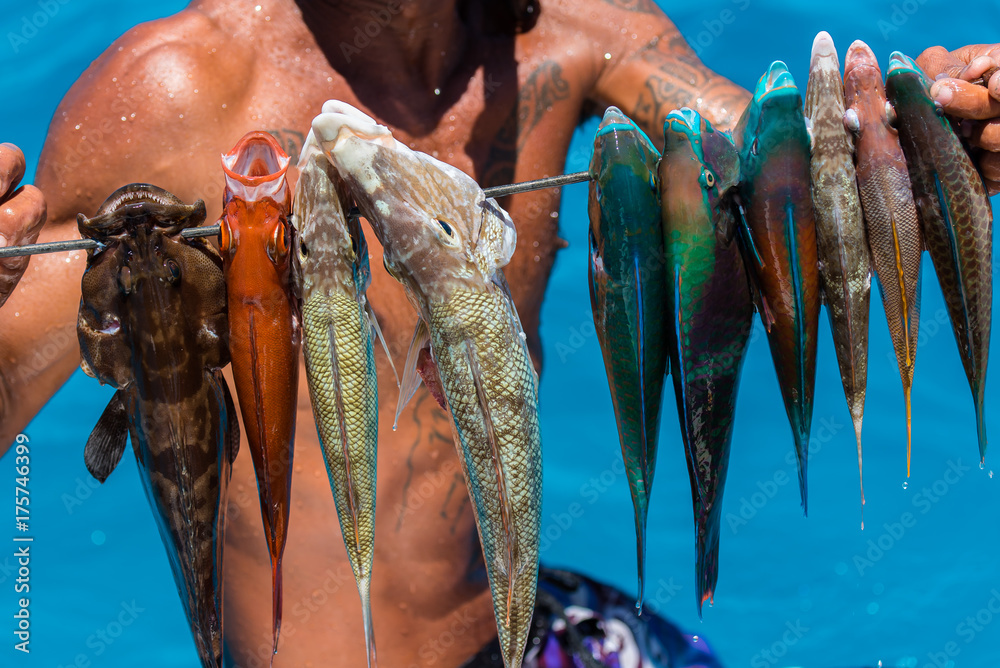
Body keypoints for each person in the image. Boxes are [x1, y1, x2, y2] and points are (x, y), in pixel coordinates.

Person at [0, 1, 996, 665]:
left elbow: (768, 163)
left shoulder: (572, 36)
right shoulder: (174, 95)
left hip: (519, 638)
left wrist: (917, 137)